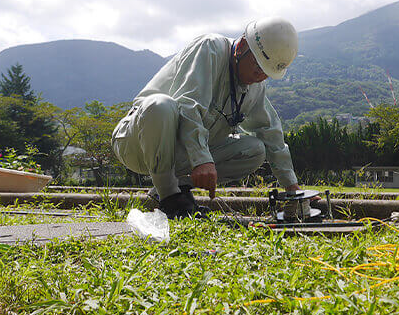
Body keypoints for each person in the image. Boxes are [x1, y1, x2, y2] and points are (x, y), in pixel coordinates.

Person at [112, 17, 303, 218]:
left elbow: (270, 131)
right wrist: (201, 159)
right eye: (257, 68)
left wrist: (293, 187)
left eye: (266, 73)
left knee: (254, 150)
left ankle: (174, 188)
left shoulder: (254, 87)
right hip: (137, 143)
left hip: (178, 155)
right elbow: (188, 105)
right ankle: (170, 198)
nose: (259, 77)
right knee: (161, 105)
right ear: (243, 46)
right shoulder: (210, 48)